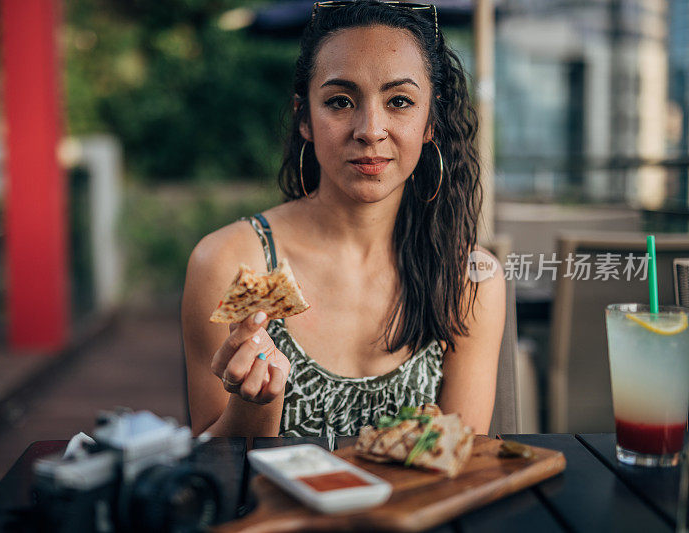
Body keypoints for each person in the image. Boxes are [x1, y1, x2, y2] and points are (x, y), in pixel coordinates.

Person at [181, 0, 505, 440]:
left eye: (400, 101)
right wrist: (256, 402)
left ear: (431, 120)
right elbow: (214, 469)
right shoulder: (229, 263)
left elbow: (456, 460)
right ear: (305, 119)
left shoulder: (471, 279)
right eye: (339, 101)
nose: (370, 129)